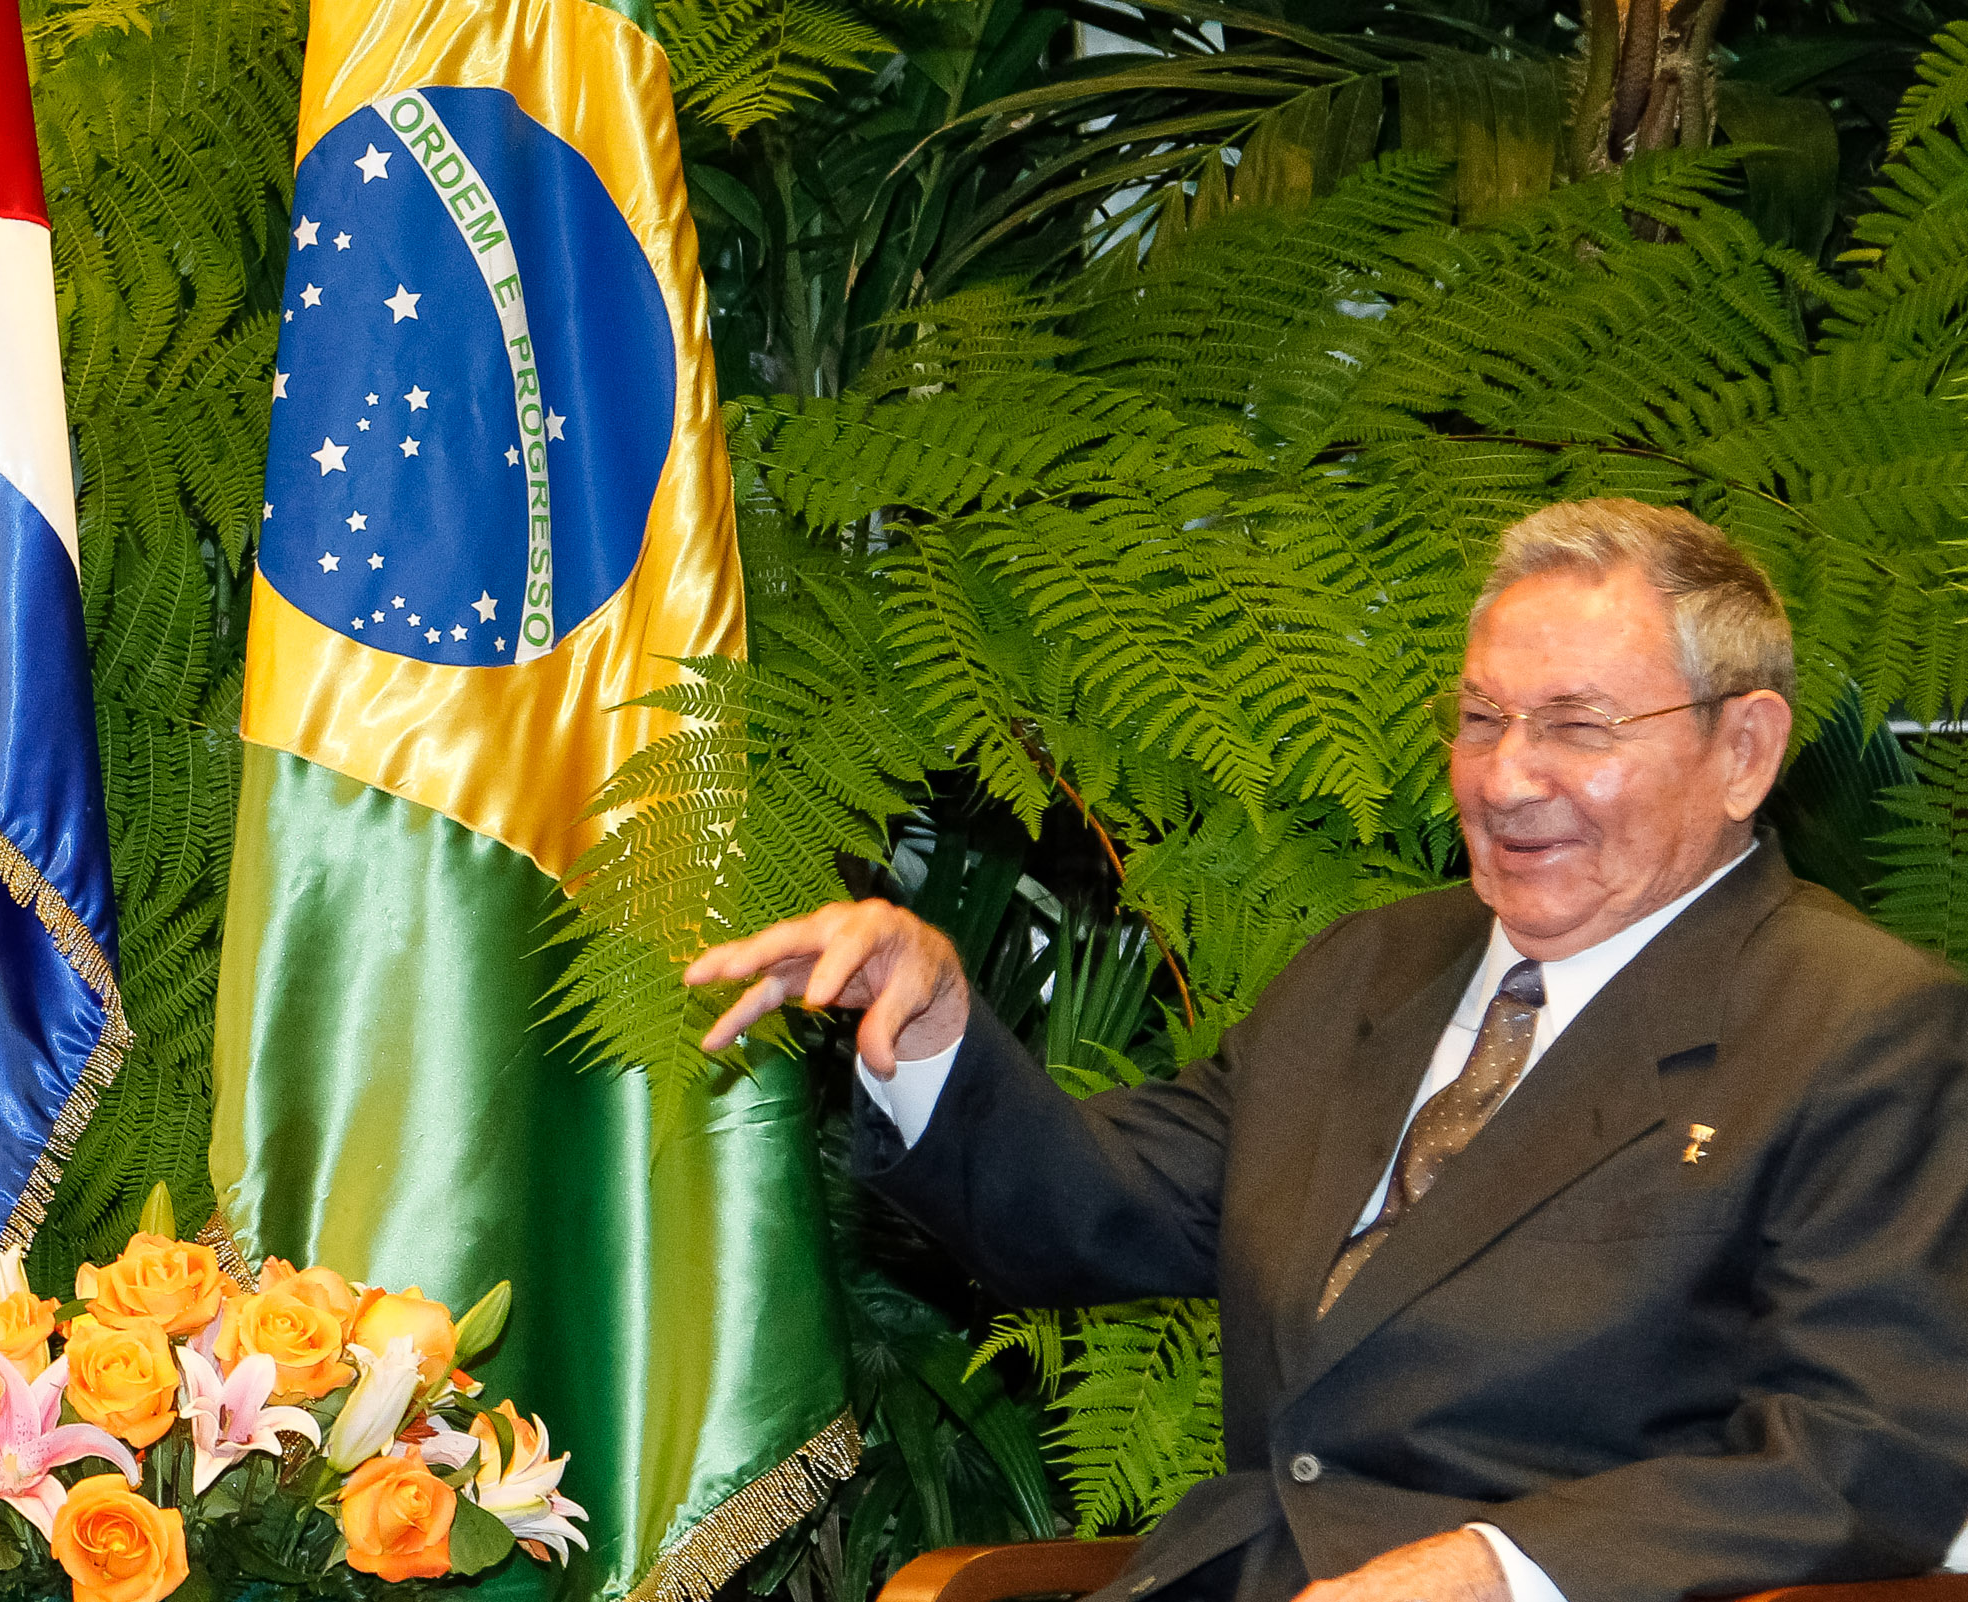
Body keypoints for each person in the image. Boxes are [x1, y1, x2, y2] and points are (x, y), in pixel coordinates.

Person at [688, 498, 1968, 1602]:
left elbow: (1870, 1447)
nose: (1505, 778)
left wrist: (1496, 1563)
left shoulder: (1856, 1027)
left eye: (1575, 726)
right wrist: (933, 1035)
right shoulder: (1372, 969)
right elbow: (1099, 1207)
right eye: (1477, 719)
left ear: (1741, 749)